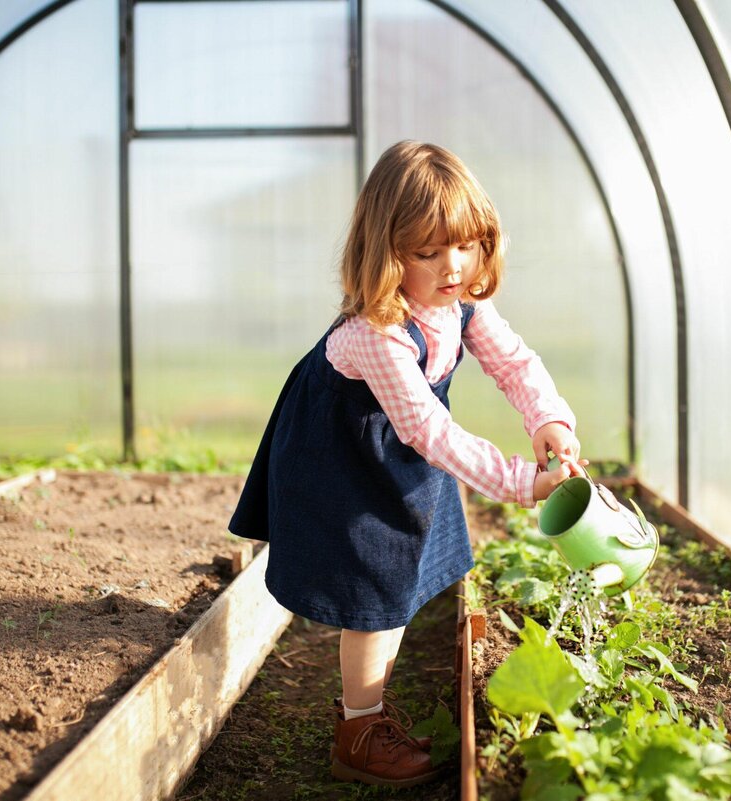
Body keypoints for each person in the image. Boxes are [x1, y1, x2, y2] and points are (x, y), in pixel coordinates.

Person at [228, 140, 585, 787]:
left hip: (394, 451)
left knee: (402, 577)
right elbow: (426, 428)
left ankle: (368, 707)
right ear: (386, 252)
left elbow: (513, 362)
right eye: (428, 251)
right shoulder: (377, 331)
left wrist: (549, 420)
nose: (453, 265)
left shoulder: (460, 302)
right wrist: (518, 483)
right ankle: (357, 731)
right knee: (375, 592)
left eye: (466, 244)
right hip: (342, 461)